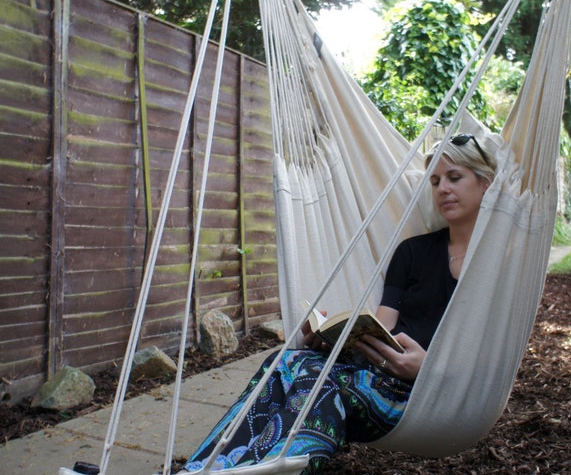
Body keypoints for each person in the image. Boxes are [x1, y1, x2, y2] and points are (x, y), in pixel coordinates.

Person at [179, 133, 496, 474]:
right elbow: (384, 326)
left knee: (321, 383)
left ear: (485, 184)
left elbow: (491, 357)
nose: (442, 189)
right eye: (434, 181)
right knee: (287, 360)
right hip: (378, 375)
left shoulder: (497, 265)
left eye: (454, 177)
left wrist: (429, 369)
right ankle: (205, 468)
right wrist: (334, 337)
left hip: (426, 396)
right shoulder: (412, 252)